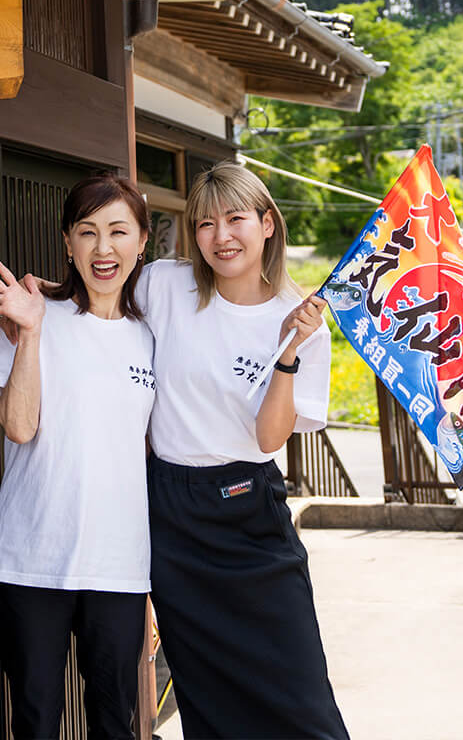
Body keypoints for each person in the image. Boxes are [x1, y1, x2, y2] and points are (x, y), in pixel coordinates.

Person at [138, 160, 348, 740]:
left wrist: (288, 350)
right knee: (207, 700)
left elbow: (269, 437)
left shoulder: (303, 321)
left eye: (235, 219)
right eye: (205, 224)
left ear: (267, 224)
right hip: (173, 516)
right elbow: (99, 304)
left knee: (301, 695)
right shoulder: (163, 285)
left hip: (249, 508)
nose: (221, 237)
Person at [0, 174, 156, 740]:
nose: (104, 249)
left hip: (120, 564)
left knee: (115, 723)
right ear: (67, 243)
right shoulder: (31, 314)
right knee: (35, 722)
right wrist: (28, 331)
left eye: (118, 231)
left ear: (142, 241)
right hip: (33, 557)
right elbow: (19, 426)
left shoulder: (152, 332)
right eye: (88, 232)